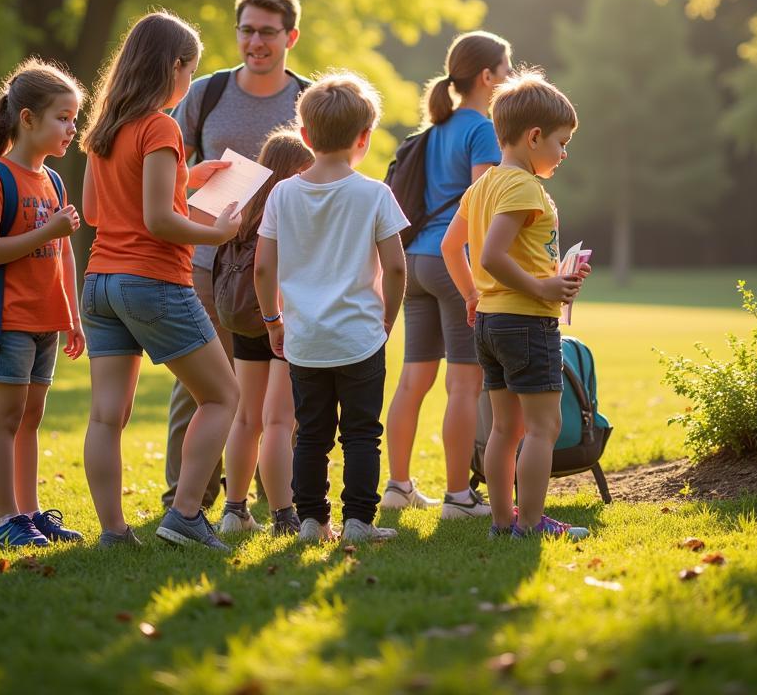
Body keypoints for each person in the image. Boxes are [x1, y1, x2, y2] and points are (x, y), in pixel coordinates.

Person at [80, 10, 241, 551]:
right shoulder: (159, 125)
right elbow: (157, 221)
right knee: (222, 396)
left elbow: (97, 209)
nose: (189, 83)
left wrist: (184, 179)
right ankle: (186, 515)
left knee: (107, 416)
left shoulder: (105, 126)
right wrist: (218, 233)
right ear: (174, 66)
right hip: (151, 281)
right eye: (190, 70)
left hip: (101, 281)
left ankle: (114, 533)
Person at [163, 0, 307, 513]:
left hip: (287, 268)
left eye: (268, 32)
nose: (256, 42)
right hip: (207, 263)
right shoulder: (207, 92)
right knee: (199, 385)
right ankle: (186, 498)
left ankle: (277, 502)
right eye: (247, 30)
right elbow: (169, 172)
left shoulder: (307, 98)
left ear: (290, 36)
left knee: (284, 394)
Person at [254, 73, 409, 543]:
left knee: (312, 435)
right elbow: (397, 269)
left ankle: (310, 521)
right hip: (360, 335)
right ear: (364, 138)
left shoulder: (282, 194)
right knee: (361, 433)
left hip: (303, 337)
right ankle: (359, 522)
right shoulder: (374, 194)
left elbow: (263, 269)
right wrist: (387, 317)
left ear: (305, 136)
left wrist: (272, 320)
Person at [441, 69, 592, 541]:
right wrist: (543, 289)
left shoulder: (482, 186)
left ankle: (502, 523)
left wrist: (473, 292)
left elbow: (453, 248)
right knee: (544, 427)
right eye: (561, 142)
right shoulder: (525, 188)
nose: (564, 153)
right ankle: (530, 524)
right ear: (533, 137)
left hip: (489, 321)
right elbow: (491, 255)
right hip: (526, 323)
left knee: (505, 429)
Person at [381, 31, 511, 519]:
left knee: (414, 380)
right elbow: (480, 207)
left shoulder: (435, 128)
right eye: (506, 69)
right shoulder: (481, 128)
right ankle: (458, 496)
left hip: (413, 260)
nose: (509, 78)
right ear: (487, 76)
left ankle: (397, 486)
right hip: (452, 264)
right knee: (463, 385)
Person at [0, 58, 86, 548]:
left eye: (75, 119)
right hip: (3, 319)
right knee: (6, 417)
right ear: (27, 119)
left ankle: (29, 514)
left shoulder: (53, 181)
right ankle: (3, 520)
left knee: (31, 419)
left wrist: (72, 316)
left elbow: (64, 256)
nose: (71, 129)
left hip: (45, 320)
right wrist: (48, 229)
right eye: (62, 118)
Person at [215, 128, 314, 537]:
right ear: (293, 170)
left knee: (246, 418)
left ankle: (234, 510)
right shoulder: (289, 206)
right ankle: (284, 515)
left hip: (242, 318)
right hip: (279, 319)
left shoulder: (244, 206)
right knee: (278, 421)